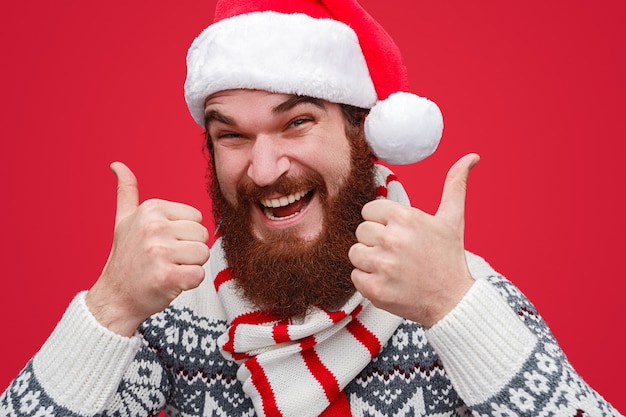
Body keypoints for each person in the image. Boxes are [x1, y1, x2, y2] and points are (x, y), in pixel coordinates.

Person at [1, 0, 622, 416]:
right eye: (232, 135)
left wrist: (455, 308)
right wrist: (108, 307)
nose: (265, 169)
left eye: (296, 122)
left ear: (364, 134)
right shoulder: (174, 317)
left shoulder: (459, 298)